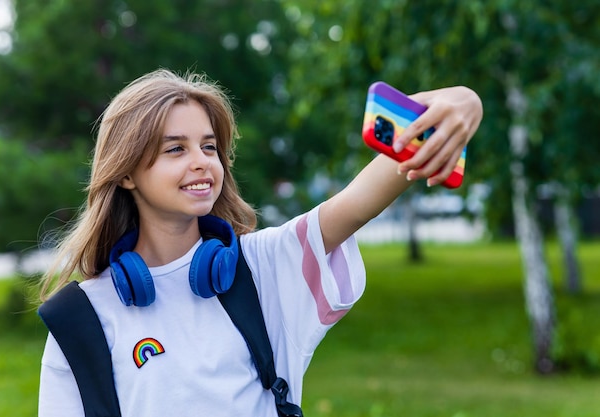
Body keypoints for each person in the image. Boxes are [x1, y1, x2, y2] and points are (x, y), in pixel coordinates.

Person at [37, 68, 482, 417]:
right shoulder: (81, 318)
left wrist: (465, 101)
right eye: (176, 149)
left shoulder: (264, 267)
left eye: (209, 147)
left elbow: (359, 202)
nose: (201, 163)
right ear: (128, 172)